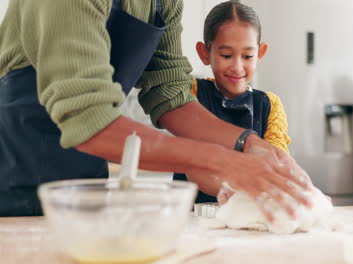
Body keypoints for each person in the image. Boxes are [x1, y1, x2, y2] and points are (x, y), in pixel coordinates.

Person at [0, 0, 313, 218]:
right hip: (16, 163)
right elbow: (88, 119)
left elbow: (170, 90)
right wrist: (222, 161)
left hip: (83, 173)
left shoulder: (163, 2)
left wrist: (248, 142)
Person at [173, 1, 291, 203]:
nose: (237, 67)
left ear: (260, 54)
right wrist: (250, 188)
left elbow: (276, 168)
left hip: (249, 221)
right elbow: (196, 170)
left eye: (247, 56)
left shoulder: (270, 106)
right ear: (204, 53)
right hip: (193, 219)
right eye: (226, 55)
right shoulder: (191, 93)